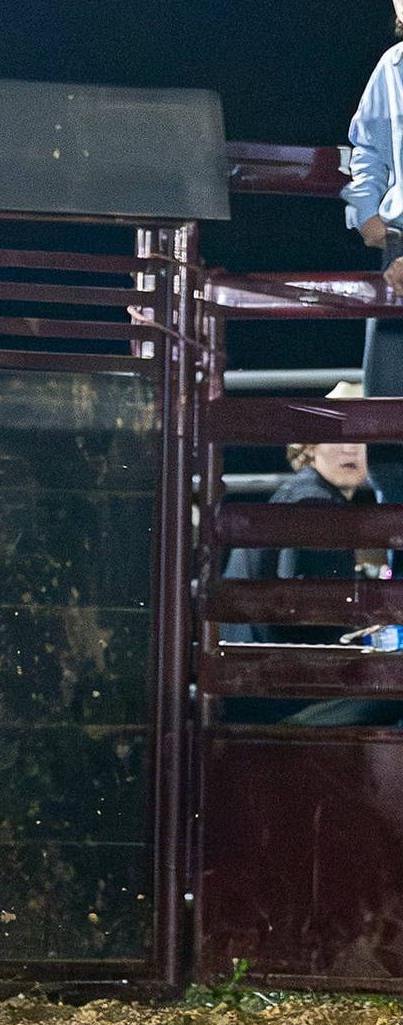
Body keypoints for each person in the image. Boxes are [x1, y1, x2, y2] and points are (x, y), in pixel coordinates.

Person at [222, 383, 398, 725]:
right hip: (283, 701)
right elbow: (307, 610)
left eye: (362, 437)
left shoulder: (301, 494)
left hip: (258, 690)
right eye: (337, 435)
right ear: (310, 446)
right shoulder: (315, 503)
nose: (350, 447)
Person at [345, 1, 403, 520]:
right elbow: (366, 148)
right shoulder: (393, 66)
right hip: (400, 249)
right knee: (387, 421)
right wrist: (369, 219)